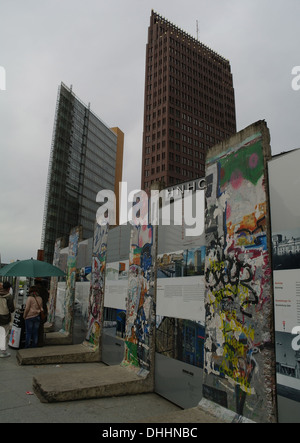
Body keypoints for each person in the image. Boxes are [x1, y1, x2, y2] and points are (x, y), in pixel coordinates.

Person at [0, 281, 14, 358]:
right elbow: (12, 309)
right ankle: (3, 352)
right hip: (4, 317)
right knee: (4, 334)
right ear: (9, 288)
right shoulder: (9, 296)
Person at [34, 279, 49, 346]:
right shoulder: (45, 291)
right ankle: (39, 341)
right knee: (40, 327)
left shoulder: (38, 292)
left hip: (39, 310)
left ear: (39, 284)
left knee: (38, 327)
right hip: (43, 311)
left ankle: (38, 342)